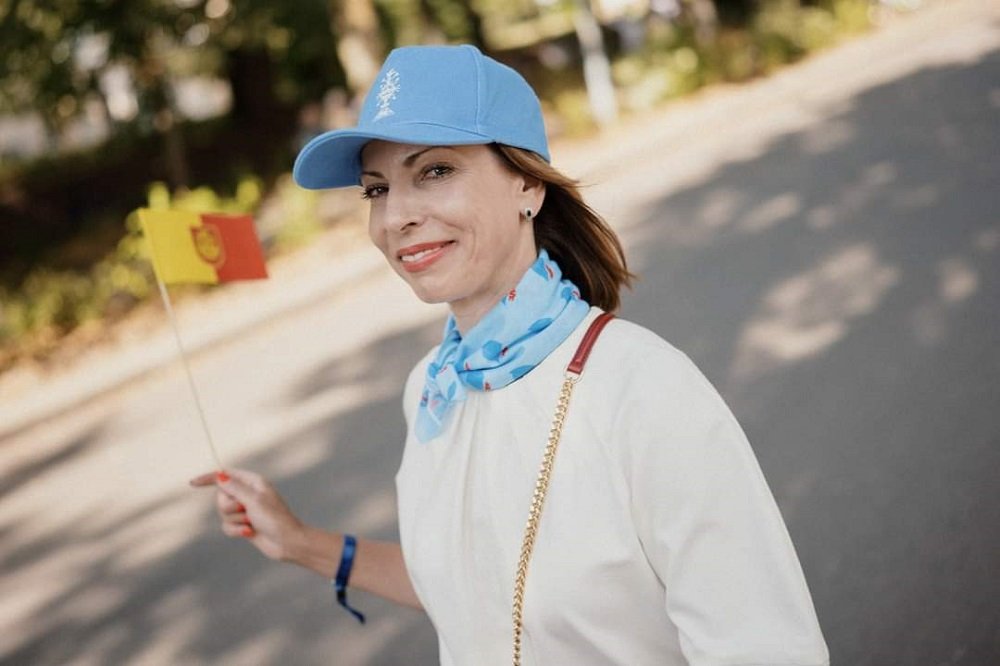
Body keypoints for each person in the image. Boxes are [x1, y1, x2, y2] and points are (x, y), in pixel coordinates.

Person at [191, 45, 829, 665]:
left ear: (527, 184)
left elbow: (766, 646)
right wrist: (302, 543)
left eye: (434, 171)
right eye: (376, 190)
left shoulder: (643, 389)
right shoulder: (432, 388)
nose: (396, 217)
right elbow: (477, 596)